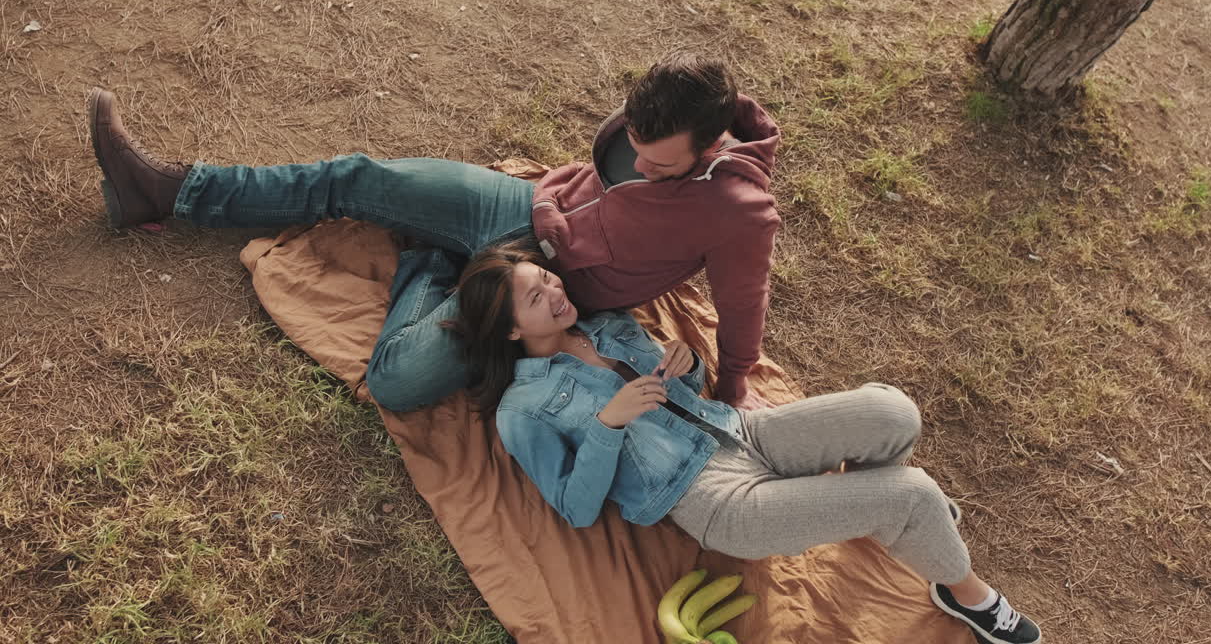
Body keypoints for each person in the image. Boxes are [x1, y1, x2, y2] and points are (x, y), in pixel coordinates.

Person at [87, 52, 779, 412]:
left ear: (709, 147)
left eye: (662, 167)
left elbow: (745, 302)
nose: (644, 166)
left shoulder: (739, 211)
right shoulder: (667, 107)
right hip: (521, 205)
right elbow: (605, 176)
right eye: (637, 147)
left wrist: (736, 380)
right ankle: (166, 190)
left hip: (545, 283)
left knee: (400, 380)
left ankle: (432, 266)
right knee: (355, 177)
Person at [447, 238, 1042, 644]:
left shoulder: (606, 323)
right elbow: (574, 509)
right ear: (510, 330)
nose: (555, 294)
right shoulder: (520, 410)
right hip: (712, 501)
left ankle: (893, 518)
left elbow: (686, 389)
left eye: (548, 279)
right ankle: (966, 594)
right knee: (910, 494)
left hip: (744, 433)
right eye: (536, 298)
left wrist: (683, 365)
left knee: (892, 412)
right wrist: (608, 424)